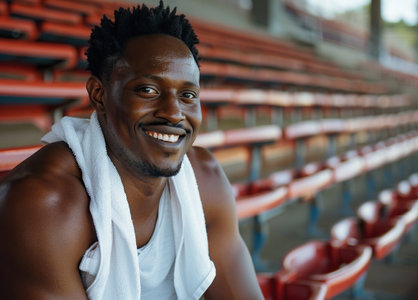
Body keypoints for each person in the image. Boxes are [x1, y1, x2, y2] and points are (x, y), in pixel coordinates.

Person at [0, 2, 264, 299]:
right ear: (99, 95)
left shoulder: (206, 179)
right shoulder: (44, 204)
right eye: (148, 90)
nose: (174, 113)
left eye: (188, 95)